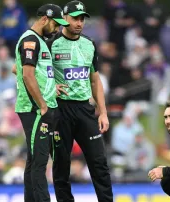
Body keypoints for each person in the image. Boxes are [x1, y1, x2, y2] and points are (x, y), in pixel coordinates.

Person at [47, 1, 113, 202]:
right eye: (75, 18)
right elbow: (36, 73)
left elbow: (95, 79)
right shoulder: (51, 44)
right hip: (60, 110)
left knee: (99, 162)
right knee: (61, 165)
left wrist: (102, 112)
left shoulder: (89, 43)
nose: (79, 23)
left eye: (82, 19)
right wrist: (49, 89)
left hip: (85, 109)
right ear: (64, 18)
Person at [14, 4, 69, 202]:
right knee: (39, 162)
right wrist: (43, 104)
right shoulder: (30, 40)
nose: (57, 29)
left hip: (39, 107)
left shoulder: (38, 40)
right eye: (55, 24)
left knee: (33, 161)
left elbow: (18, 69)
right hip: (35, 109)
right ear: (45, 19)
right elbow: (27, 74)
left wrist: (49, 87)